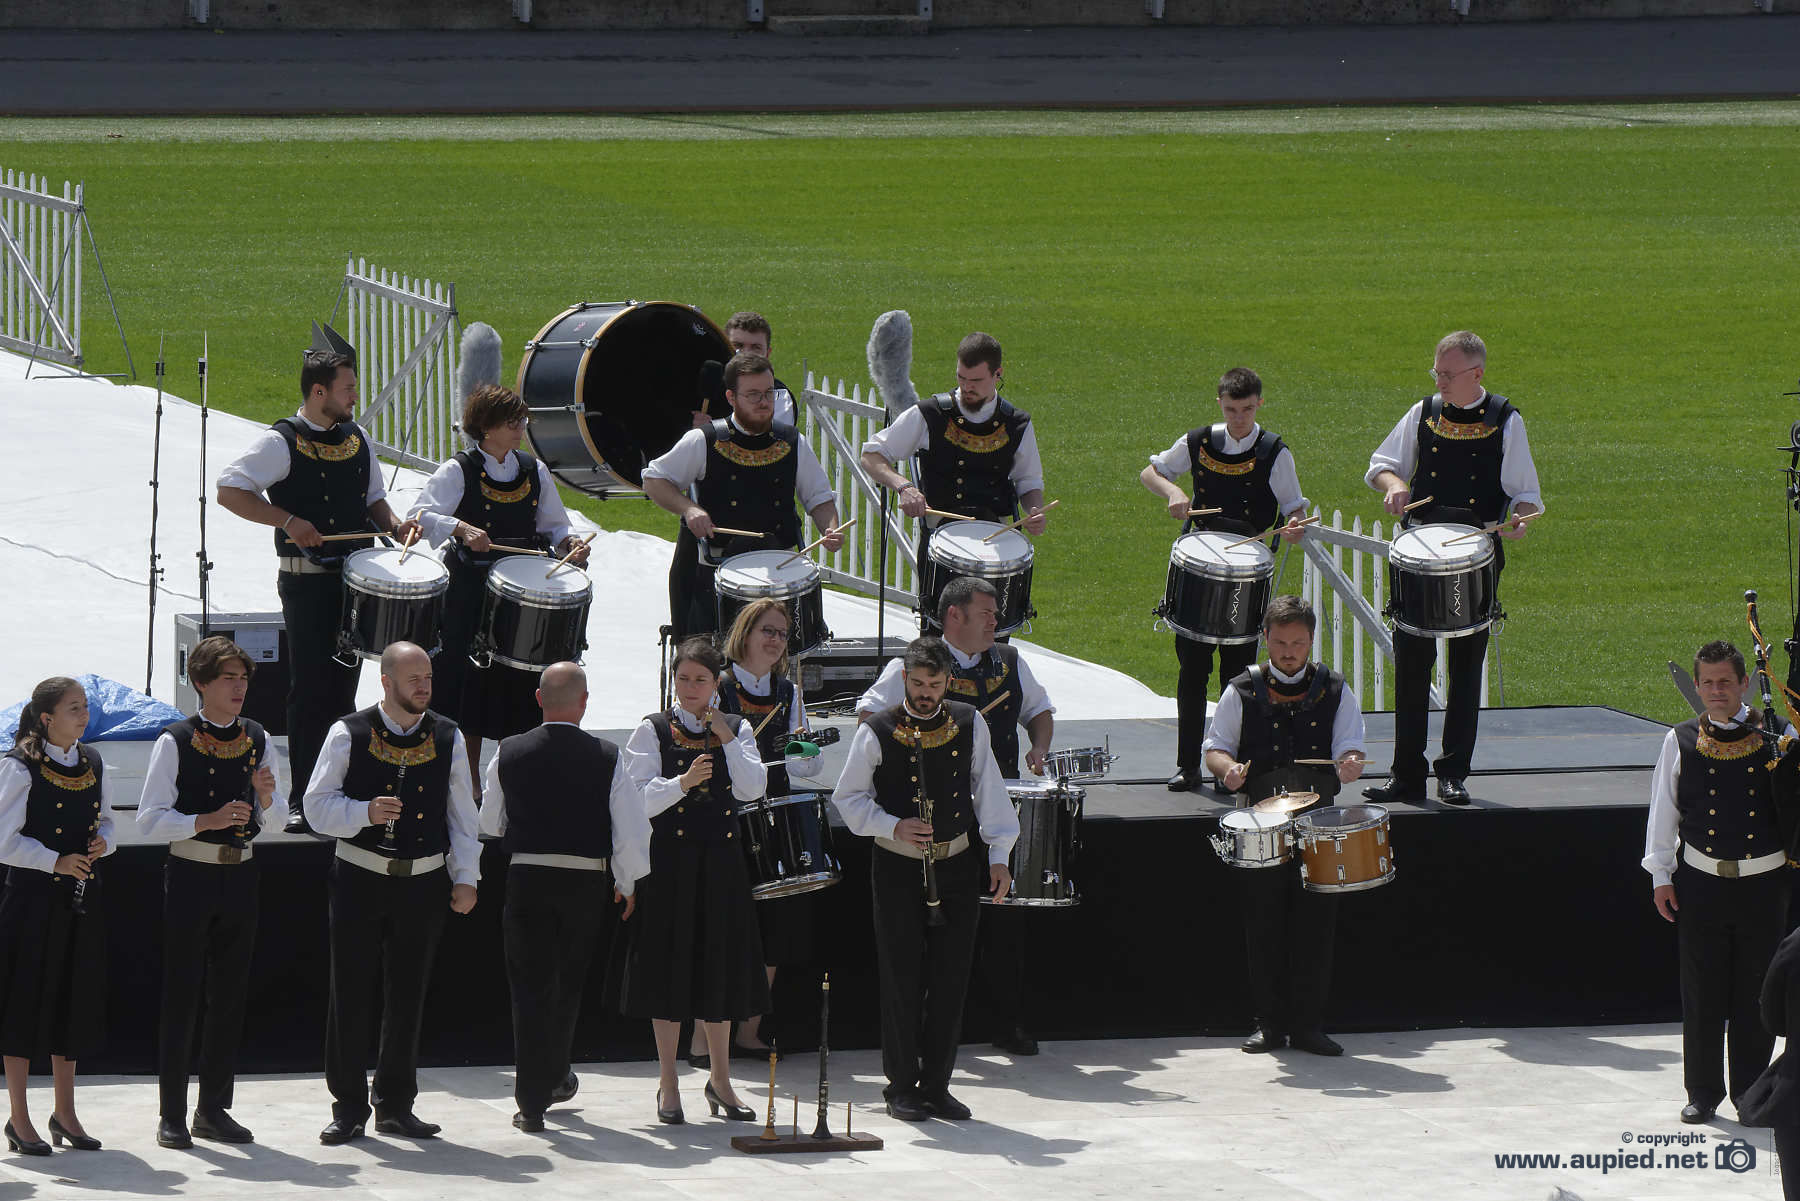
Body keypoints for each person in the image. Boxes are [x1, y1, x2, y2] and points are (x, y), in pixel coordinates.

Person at [217, 322, 420, 833]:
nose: (354, 398)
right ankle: (303, 798)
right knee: (309, 690)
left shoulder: (358, 438)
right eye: (348, 389)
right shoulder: (281, 441)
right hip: (306, 582)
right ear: (318, 392)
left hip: (353, 586)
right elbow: (230, 489)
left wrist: (396, 527)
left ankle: (336, 793)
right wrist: (287, 520)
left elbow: (374, 501)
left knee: (343, 690)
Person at [856, 576, 1053, 1055]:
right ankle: (921, 1040)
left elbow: (1039, 710)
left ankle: (1004, 1022)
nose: (995, 621)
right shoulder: (912, 666)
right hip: (932, 818)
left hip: (996, 809)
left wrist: (1040, 748)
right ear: (954, 616)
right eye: (986, 612)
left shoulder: (1010, 661)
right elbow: (869, 718)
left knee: (1005, 922)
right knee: (925, 937)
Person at [831, 637, 1018, 1121]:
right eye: (917, 683)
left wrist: (999, 855)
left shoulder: (968, 721)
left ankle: (937, 1084)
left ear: (947, 681)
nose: (925, 693)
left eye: (934, 684)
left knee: (951, 977)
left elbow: (989, 790)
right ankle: (901, 1086)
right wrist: (891, 825)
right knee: (902, 977)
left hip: (957, 864)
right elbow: (847, 798)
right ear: (904, 679)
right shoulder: (877, 729)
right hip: (897, 865)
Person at [302, 641, 479, 1145]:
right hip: (360, 876)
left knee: (408, 995)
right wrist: (363, 813)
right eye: (413, 678)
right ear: (386, 681)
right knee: (350, 992)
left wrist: (466, 877)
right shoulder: (349, 732)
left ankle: (396, 1105)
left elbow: (462, 814)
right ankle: (348, 1106)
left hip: (422, 880)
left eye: (428, 677)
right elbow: (316, 807)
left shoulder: (447, 734)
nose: (424, 686)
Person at [1362, 330, 1542, 806]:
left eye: (1448, 373)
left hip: (1475, 552)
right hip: (1419, 549)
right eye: (1436, 372)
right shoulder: (1423, 412)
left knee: (1465, 668)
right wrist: (1394, 484)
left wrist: (1521, 518)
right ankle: (1406, 773)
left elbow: (1526, 493)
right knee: (1411, 666)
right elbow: (1381, 464)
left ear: (1476, 374)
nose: (1439, 381)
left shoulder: (1506, 420)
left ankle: (1453, 772)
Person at [480, 662, 652, 1133]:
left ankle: (532, 1100)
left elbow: (490, 822)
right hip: (583, 882)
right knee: (567, 986)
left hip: (527, 877)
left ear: (539, 699)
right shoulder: (607, 756)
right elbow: (630, 829)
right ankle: (554, 1075)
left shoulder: (509, 751)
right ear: (584, 702)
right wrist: (627, 882)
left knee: (529, 989)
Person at [1642, 640, 1800, 1125]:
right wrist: (1661, 874)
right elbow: (1664, 810)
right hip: (1702, 885)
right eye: (1707, 683)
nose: (1716, 691)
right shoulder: (1680, 739)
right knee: (1701, 991)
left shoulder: (1779, 734)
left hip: (1765, 885)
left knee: (1757, 991)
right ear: (1696, 686)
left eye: (1725, 682)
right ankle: (1703, 1091)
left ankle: (1750, 1091)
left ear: (1745, 683)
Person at [1202, 596, 1366, 1057]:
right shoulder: (1242, 689)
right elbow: (1215, 748)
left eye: (1298, 643)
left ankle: (1309, 1026)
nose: (1289, 652)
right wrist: (1228, 770)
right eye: (1280, 643)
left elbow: (1350, 746)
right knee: (1264, 923)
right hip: (1261, 823)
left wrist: (1351, 762)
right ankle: (1268, 1025)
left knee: (1317, 926)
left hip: (1318, 824)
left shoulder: (1335, 688)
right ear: (1266, 640)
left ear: (1311, 641)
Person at [408, 383, 592, 786]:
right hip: (471, 592)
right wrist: (460, 528)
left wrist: (570, 543)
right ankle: (467, 782)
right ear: (487, 427)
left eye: (522, 421)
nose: (521, 429)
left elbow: (555, 524)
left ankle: (516, 778)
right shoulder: (458, 469)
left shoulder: (533, 469)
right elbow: (419, 515)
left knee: (521, 683)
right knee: (470, 686)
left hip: (521, 596)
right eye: (513, 423)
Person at [1138, 366, 1310, 792]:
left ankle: (1231, 769)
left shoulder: (1274, 452)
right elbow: (1150, 473)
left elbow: (1294, 506)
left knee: (1238, 678)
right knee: (1191, 672)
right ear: (1220, 403)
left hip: (1248, 575)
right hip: (1201, 565)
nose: (1239, 418)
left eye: (1247, 409)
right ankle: (1187, 765)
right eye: (1231, 409)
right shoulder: (1198, 441)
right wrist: (1174, 491)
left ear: (1259, 404)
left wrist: (1294, 523)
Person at [137, 636, 278, 1149]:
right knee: (182, 995)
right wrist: (204, 820)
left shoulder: (258, 736)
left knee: (229, 997)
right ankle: (171, 1113)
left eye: (243, 679)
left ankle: (213, 1109)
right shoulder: (175, 739)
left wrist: (265, 798)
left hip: (241, 875)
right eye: (227, 679)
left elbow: (277, 819)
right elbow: (150, 819)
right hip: (191, 874)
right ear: (200, 683)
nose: (239, 688)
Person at [619, 639, 768, 1124]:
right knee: (668, 972)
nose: (690, 688)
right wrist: (680, 784)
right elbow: (636, 801)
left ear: (716, 683)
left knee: (717, 971)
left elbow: (753, 788)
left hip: (722, 864)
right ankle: (668, 1082)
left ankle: (720, 1080)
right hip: (670, 865)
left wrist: (727, 737)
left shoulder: (737, 728)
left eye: (700, 680)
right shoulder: (653, 729)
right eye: (683, 678)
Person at [686, 598, 825, 1068]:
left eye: (782, 634)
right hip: (724, 819)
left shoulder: (789, 691)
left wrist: (804, 749)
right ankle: (702, 1040)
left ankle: (748, 1031)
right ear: (744, 633)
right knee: (720, 929)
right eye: (767, 630)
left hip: (773, 820)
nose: (775, 640)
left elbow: (805, 766)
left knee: (775, 931)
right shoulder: (719, 686)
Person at [643, 352, 843, 641]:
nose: (764, 402)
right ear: (731, 397)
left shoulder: (792, 441)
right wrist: (689, 509)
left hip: (781, 573)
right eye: (753, 395)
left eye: (768, 393)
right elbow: (654, 480)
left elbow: (819, 498)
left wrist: (830, 528)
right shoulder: (704, 440)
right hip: (719, 574)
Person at [858, 332, 1049, 630]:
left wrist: (1034, 510)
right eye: (961, 378)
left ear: (998, 374)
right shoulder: (931, 414)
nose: (966, 388)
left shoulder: (1016, 423)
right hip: (942, 542)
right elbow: (871, 455)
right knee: (939, 637)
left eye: (976, 381)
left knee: (993, 636)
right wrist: (904, 487)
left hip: (997, 544)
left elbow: (1028, 481)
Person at [0, 678, 116, 1154]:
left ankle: (65, 1113)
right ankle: (18, 1117)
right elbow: (4, 841)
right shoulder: (19, 766)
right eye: (73, 708)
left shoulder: (92, 761)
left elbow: (108, 820)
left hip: (79, 898)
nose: (83, 715)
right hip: (31, 900)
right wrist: (55, 861)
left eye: (85, 707)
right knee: (25, 1003)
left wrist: (104, 842)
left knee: (73, 1000)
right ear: (47, 718)